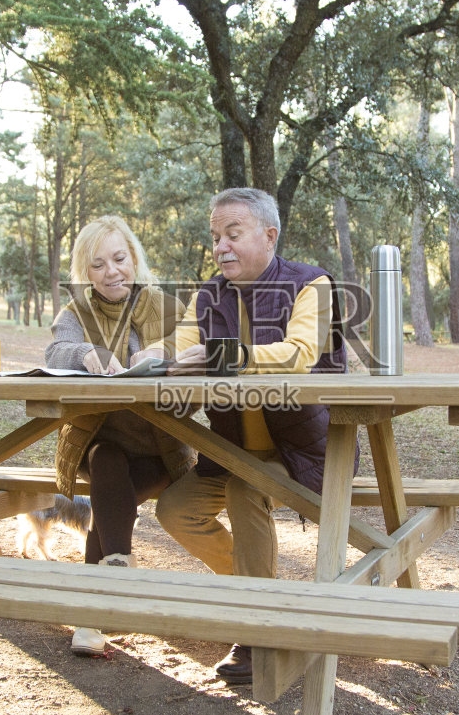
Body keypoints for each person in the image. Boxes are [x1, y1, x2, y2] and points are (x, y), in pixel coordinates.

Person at [134, 187, 346, 684]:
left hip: (303, 451)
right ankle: (263, 596)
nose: (220, 247)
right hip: (228, 449)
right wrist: (150, 360)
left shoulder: (311, 284)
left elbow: (299, 354)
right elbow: (182, 344)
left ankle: (257, 628)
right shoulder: (210, 294)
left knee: (245, 489)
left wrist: (223, 356)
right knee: (175, 508)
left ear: (269, 236)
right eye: (215, 237)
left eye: (233, 234)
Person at [44, 215, 204, 656]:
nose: (112, 271)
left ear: (134, 257)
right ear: (85, 272)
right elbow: (56, 350)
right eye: (98, 264)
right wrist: (86, 352)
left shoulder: (169, 307)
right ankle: (117, 573)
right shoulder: (75, 313)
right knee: (106, 461)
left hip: (162, 447)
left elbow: (198, 359)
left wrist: (168, 357)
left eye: (119, 258)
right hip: (101, 444)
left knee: (108, 495)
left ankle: (91, 615)